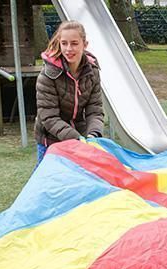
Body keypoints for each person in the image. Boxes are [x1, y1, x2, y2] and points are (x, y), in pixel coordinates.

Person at [35, 20, 103, 164]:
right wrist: (76, 139)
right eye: (64, 43)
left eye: (74, 43)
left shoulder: (92, 72)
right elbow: (49, 117)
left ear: (85, 45)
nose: (68, 49)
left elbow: (94, 110)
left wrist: (92, 135)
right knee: (49, 181)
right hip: (50, 139)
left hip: (80, 136)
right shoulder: (48, 74)